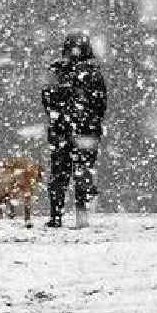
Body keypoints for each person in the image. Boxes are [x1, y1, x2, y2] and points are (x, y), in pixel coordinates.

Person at [43, 33, 107, 228]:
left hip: (61, 130)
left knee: (59, 174)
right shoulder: (93, 73)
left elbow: (47, 100)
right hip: (86, 132)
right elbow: (100, 103)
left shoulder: (57, 72)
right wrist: (88, 120)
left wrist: (60, 118)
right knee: (83, 172)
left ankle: (56, 216)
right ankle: (81, 216)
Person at [41, 59, 75, 228]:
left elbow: (49, 108)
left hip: (59, 136)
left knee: (58, 176)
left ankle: (56, 215)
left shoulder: (50, 90)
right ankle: (78, 213)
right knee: (75, 174)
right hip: (72, 134)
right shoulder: (75, 89)